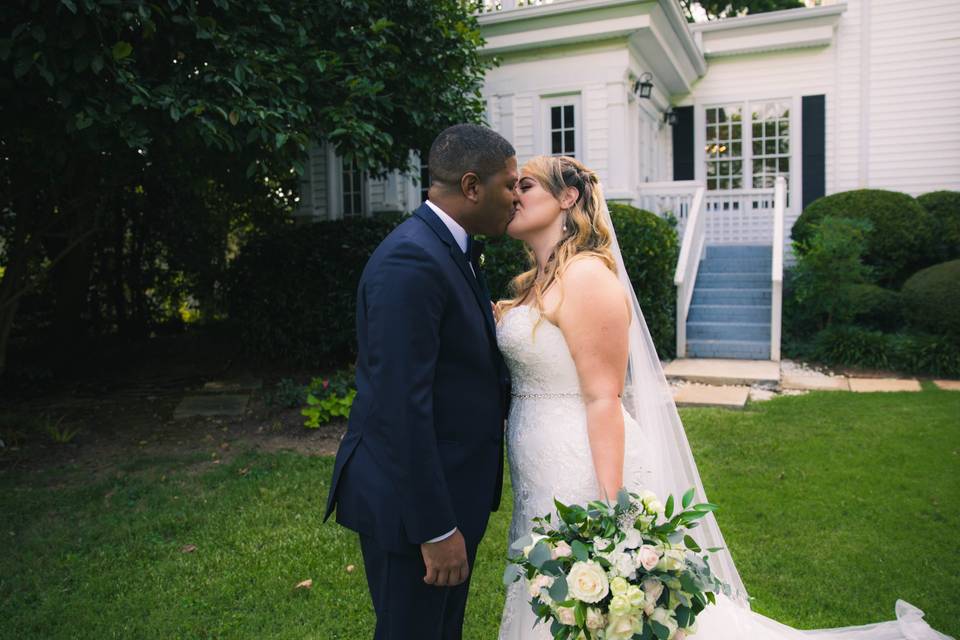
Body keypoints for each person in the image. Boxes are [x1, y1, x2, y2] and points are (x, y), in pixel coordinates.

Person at [494, 154, 953, 640]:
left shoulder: (586, 277)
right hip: (540, 472)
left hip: (585, 467)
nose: (512, 195)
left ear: (567, 197)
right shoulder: (532, 284)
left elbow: (604, 398)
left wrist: (612, 522)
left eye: (525, 184)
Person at [323, 123, 516, 639]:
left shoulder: (449, 247)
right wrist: (434, 527)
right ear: (472, 187)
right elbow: (399, 406)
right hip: (413, 509)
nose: (518, 198)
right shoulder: (412, 259)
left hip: (448, 491)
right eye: (510, 185)